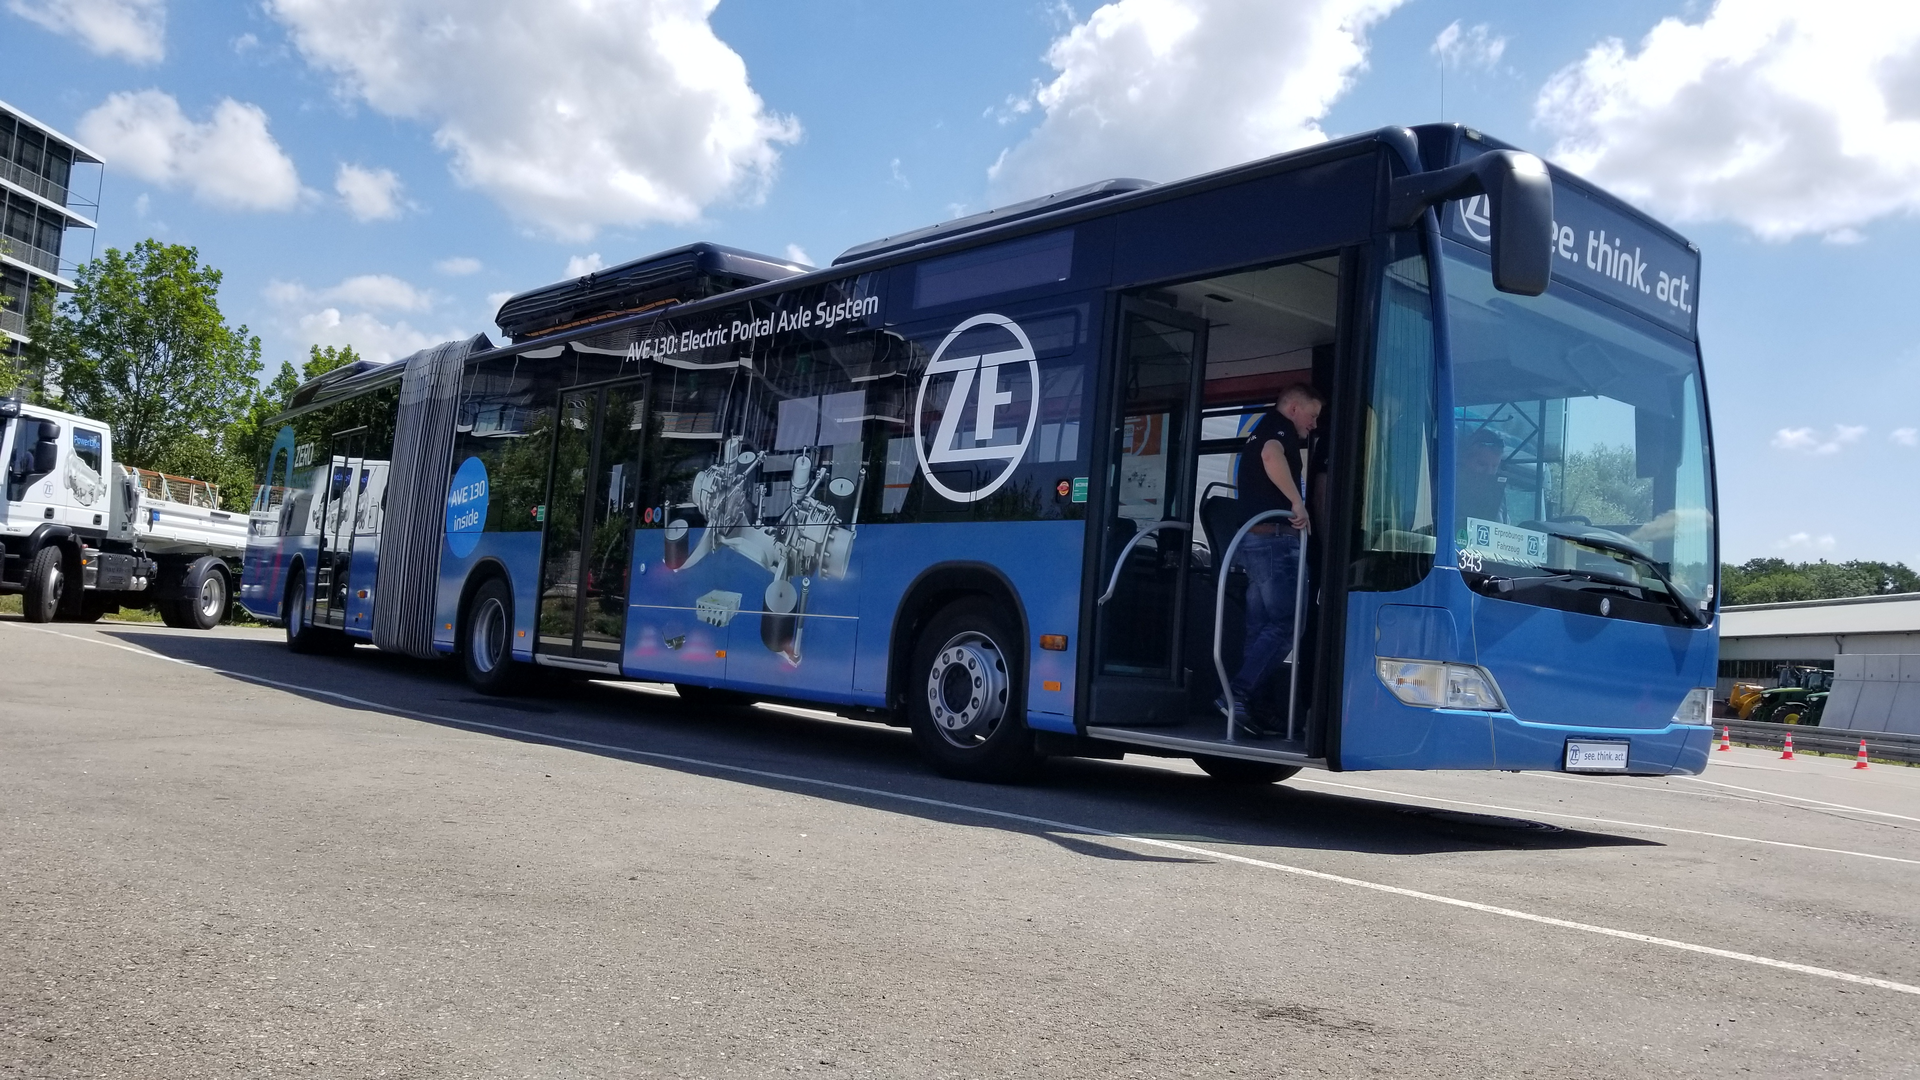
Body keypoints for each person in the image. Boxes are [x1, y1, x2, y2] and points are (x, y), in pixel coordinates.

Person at [1218, 382, 1321, 735]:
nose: (1314, 424)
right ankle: (1240, 693)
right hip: (1275, 540)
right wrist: (1296, 502)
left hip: (1254, 541)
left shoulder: (1259, 428)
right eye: (1313, 414)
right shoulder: (1278, 431)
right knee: (1288, 623)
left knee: (1261, 628)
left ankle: (1254, 704)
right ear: (1294, 408)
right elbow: (1271, 456)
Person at [1456, 427, 1508, 527]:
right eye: (1482, 464)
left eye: (1494, 466)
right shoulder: (1447, 485)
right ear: (1465, 460)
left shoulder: (1499, 497)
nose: (1489, 472)